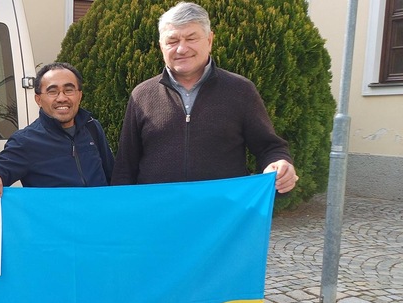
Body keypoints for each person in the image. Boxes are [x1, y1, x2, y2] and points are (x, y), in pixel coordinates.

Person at [111, 1, 299, 193]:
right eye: (172, 41)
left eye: (191, 38)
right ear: (161, 46)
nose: (181, 49)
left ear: (209, 40)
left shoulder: (240, 90)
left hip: (223, 208)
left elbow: (269, 148)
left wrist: (279, 165)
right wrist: (119, 205)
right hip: (159, 209)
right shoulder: (142, 95)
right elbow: (125, 166)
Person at [0, 62, 114, 197]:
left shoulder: (92, 127)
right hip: (55, 215)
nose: (62, 98)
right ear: (38, 100)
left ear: (80, 95)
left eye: (69, 90)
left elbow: (112, 176)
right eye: (52, 92)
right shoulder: (26, 141)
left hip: (99, 213)